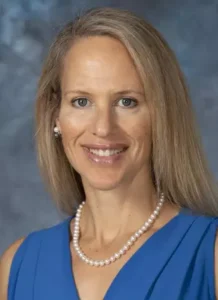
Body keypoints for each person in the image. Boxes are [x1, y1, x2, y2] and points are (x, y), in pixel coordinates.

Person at [1, 6, 218, 300]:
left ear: (161, 115)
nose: (103, 128)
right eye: (81, 102)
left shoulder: (209, 255)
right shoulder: (17, 267)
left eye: (127, 102)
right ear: (55, 116)